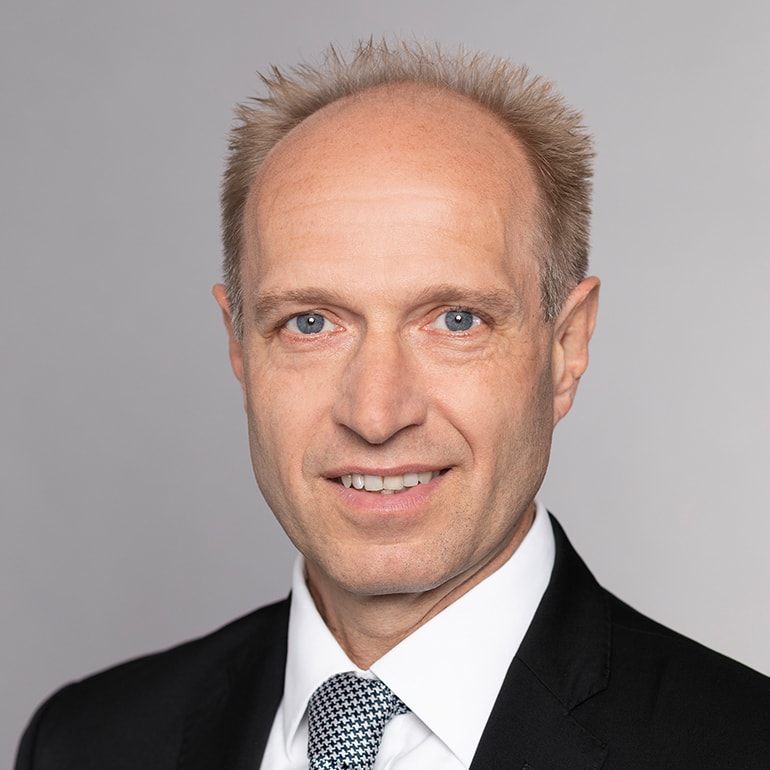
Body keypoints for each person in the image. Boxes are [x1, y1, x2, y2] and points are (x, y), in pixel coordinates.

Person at [16, 40, 770, 770]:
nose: (376, 415)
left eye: (456, 320)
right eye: (309, 323)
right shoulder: (86, 743)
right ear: (239, 345)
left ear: (565, 349)